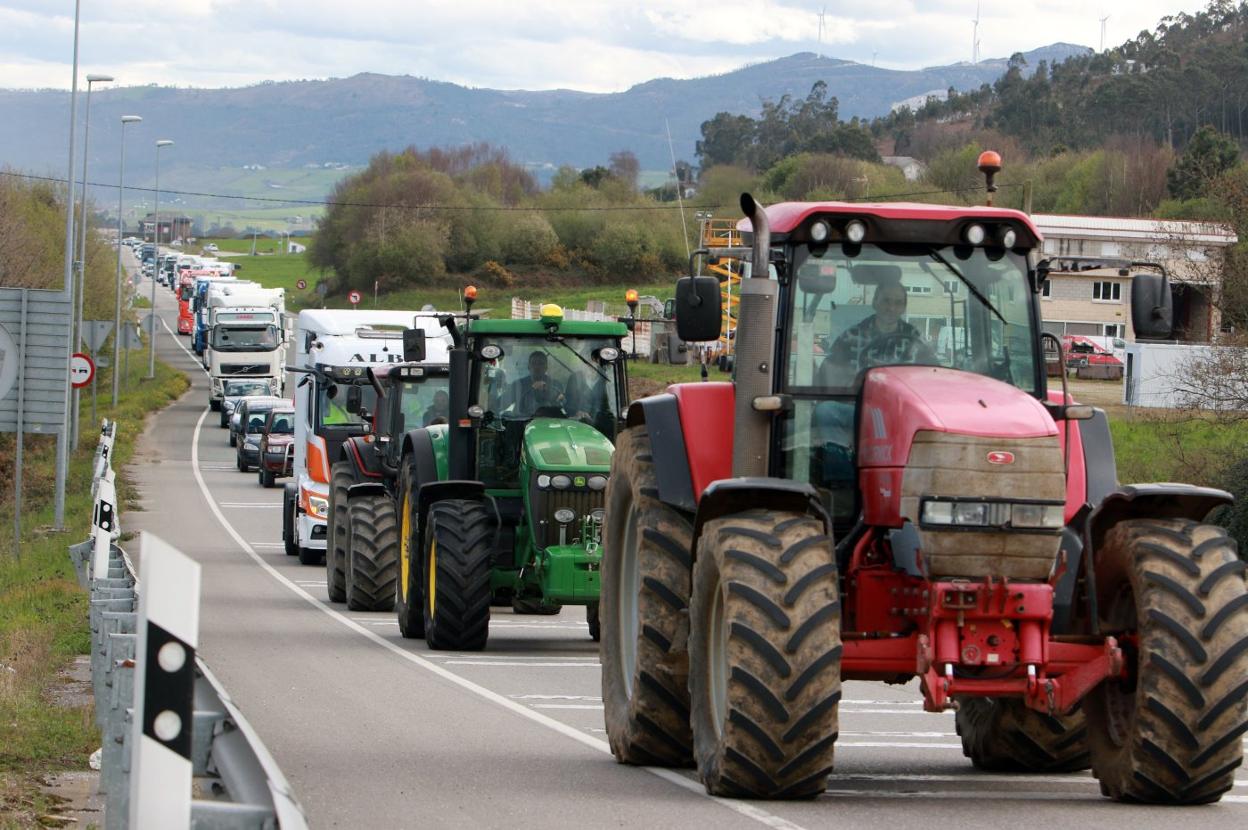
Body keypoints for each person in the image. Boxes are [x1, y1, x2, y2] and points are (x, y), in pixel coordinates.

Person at [818, 280, 934, 384]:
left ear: (904, 308)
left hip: (901, 403)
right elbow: (827, 374)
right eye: (886, 301)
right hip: (857, 402)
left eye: (898, 303)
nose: (891, 308)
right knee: (826, 408)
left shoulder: (916, 340)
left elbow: (933, 375)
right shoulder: (851, 337)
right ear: (874, 302)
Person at [509, 351, 565, 416]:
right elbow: (501, 404)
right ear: (528, 367)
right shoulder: (518, 385)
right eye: (533, 363)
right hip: (521, 422)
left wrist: (549, 392)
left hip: (550, 422)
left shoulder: (556, 385)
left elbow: (561, 405)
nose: (537, 367)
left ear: (546, 367)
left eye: (541, 363)